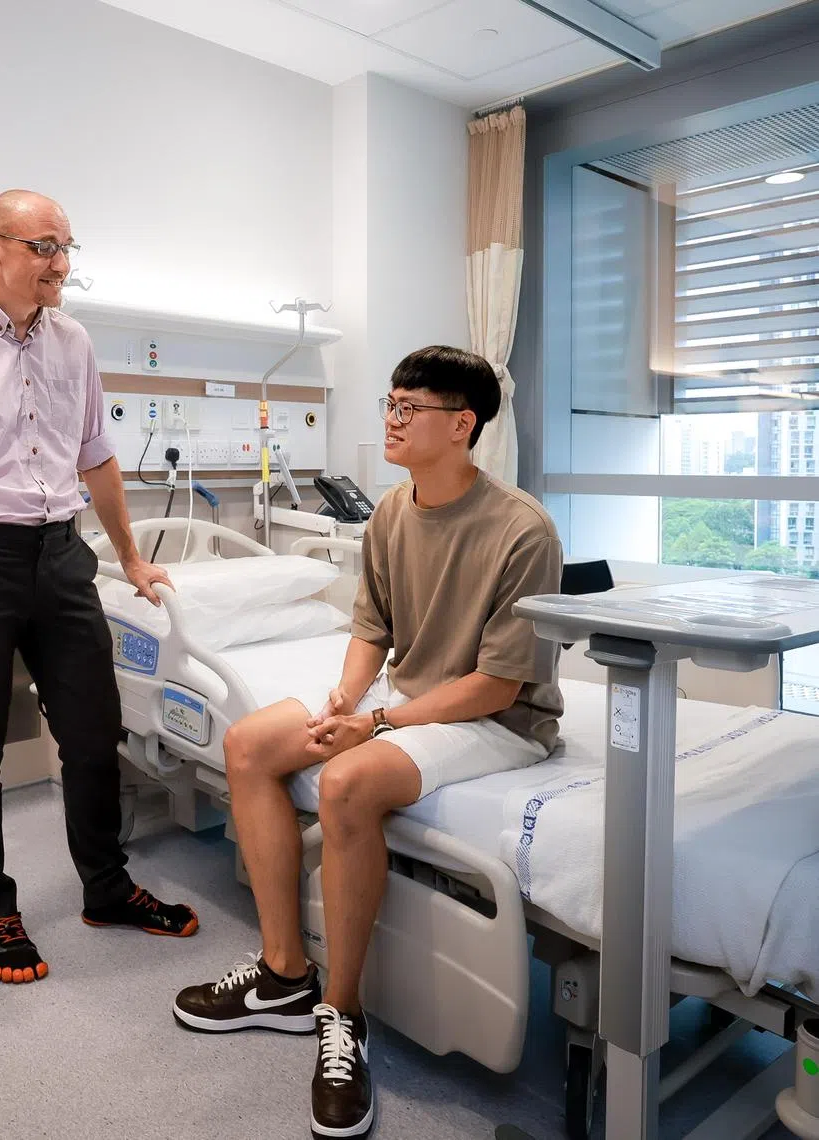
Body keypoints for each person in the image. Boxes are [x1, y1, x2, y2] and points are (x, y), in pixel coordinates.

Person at [172, 346, 564, 1138]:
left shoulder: (522, 530)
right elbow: (372, 630)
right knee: (249, 744)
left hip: (499, 721)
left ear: (463, 425)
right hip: (409, 695)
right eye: (389, 403)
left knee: (348, 782)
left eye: (409, 408)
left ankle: (342, 1013)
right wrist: (349, 697)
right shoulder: (391, 513)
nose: (391, 419)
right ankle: (284, 973)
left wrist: (375, 726)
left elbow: (497, 686)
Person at [0, 189, 198, 987]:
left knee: (94, 733)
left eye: (66, 249)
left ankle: (106, 887)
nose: (61, 264)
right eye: (45, 247)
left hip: (60, 555)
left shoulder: (73, 341)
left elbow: (96, 454)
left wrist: (132, 558)